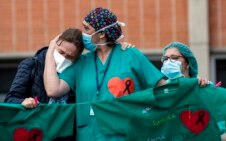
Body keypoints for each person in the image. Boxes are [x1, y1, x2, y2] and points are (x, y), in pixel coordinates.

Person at [44, 7, 166, 141]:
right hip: (88, 135)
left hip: (124, 135)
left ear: (101, 33)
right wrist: (50, 51)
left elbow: (164, 88)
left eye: (86, 29)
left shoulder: (131, 55)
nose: (82, 33)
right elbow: (53, 89)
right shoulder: (81, 62)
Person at [160, 41, 226, 141]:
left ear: (188, 63)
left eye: (174, 58)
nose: (168, 62)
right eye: (165, 59)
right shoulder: (158, 93)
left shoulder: (204, 89)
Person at [4, 28, 84, 108]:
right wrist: (23, 102)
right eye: (61, 52)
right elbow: (10, 100)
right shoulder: (31, 65)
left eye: (69, 57)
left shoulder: (75, 71)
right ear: (55, 43)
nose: (63, 58)